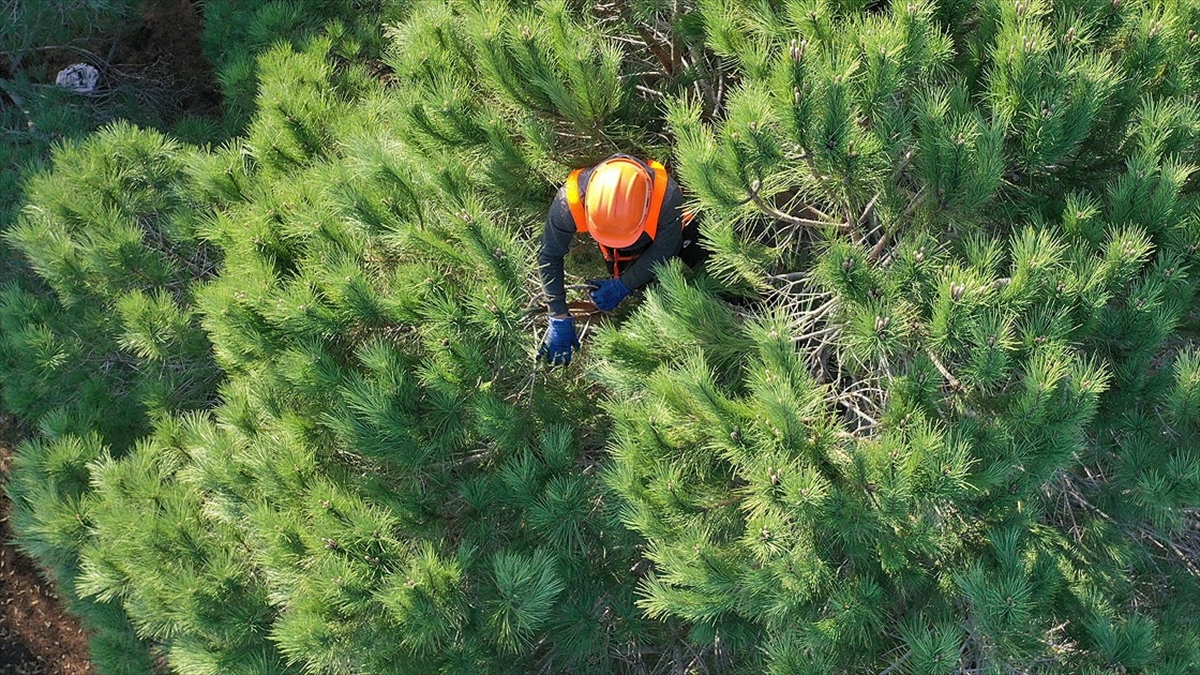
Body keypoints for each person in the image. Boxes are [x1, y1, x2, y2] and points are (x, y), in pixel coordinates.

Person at [537, 154, 704, 365]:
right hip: (620, 236)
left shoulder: (666, 198)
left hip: (664, 232)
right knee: (643, 296)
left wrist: (623, 284)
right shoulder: (568, 201)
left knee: (700, 255)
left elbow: (666, 247)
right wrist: (557, 314)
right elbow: (549, 255)